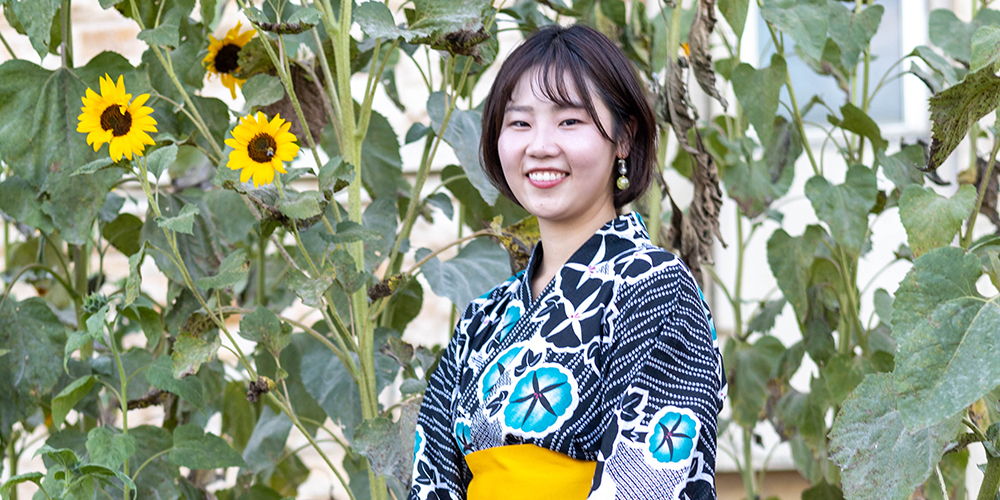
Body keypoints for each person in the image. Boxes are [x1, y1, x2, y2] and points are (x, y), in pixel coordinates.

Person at [409, 24, 725, 500]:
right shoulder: (481, 318)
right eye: (519, 123)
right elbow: (431, 477)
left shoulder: (658, 290)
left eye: (569, 121)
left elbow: (648, 481)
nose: (540, 145)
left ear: (624, 138)